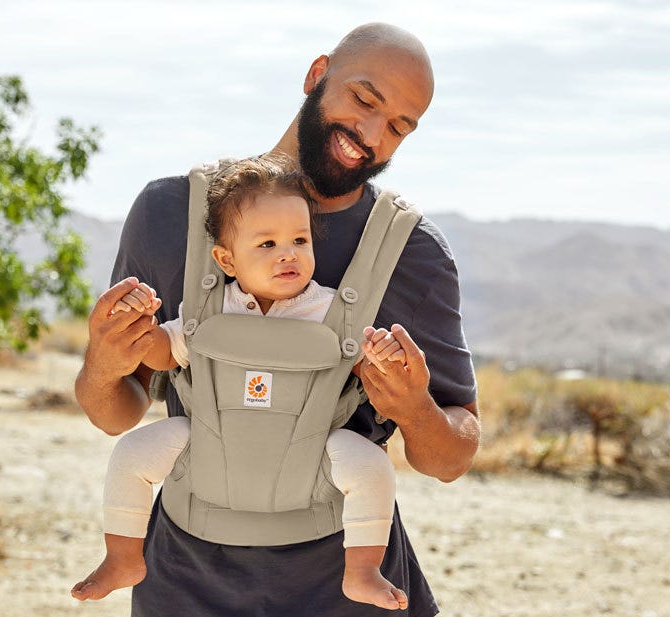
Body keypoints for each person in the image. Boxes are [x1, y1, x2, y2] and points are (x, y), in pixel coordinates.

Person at [75, 22, 481, 617]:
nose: (370, 134)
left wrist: (414, 410)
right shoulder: (170, 215)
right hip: (185, 584)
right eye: (364, 100)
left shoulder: (413, 257)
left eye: (398, 126)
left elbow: (452, 458)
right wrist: (104, 362)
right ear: (318, 75)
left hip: (348, 594)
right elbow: (114, 413)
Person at [71, 155, 412, 609]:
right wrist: (139, 326)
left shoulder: (330, 311)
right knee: (131, 454)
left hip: (313, 450)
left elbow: (359, 366)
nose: (288, 253)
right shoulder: (210, 310)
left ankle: (362, 570)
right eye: (267, 244)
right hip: (208, 440)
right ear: (226, 259)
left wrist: (384, 359)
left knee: (372, 468)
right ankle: (123, 556)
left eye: (299, 240)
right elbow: (162, 352)